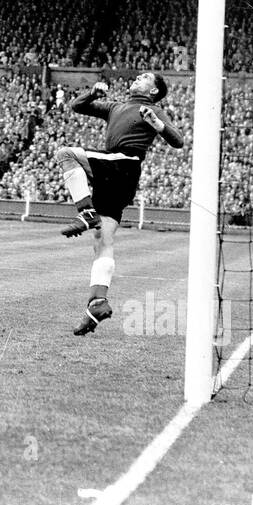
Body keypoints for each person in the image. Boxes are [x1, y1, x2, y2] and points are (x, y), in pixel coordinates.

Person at [53, 72, 185, 336]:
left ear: (154, 91)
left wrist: (158, 124)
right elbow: (77, 106)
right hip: (118, 174)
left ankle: (86, 211)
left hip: (123, 162)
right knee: (103, 240)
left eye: (145, 77)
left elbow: (178, 141)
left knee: (66, 153)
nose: (138, 78)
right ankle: (97, 303)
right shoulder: (116, 107)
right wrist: (92, 93)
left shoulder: (153, 109)